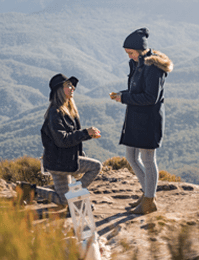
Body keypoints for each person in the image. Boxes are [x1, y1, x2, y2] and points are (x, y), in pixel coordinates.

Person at [110, 28, 173, 215]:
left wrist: (125, 98)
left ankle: (149, 200)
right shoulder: (137, 63)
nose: (129, 57)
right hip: (135, 118)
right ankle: (147, 192)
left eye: (131, 53)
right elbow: (137, 90)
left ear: (141, 50)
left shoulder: (154, 68)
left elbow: (150, 97)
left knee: (147, 159)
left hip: (148, 121)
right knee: (131, 157)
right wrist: (122, 95)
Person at [40, 73, 102, 207]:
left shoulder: (67, 109)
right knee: (96, 166)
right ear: (59, 90)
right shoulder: (55, 113)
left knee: (64, 201)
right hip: (61, 162)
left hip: (58, 161)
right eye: (68, 85)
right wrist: (85, 132)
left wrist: (88, 135)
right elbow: (62, 140)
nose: (73, 87)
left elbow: (71, 135)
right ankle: (76, 195)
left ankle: (32, 191)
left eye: (72, 85)